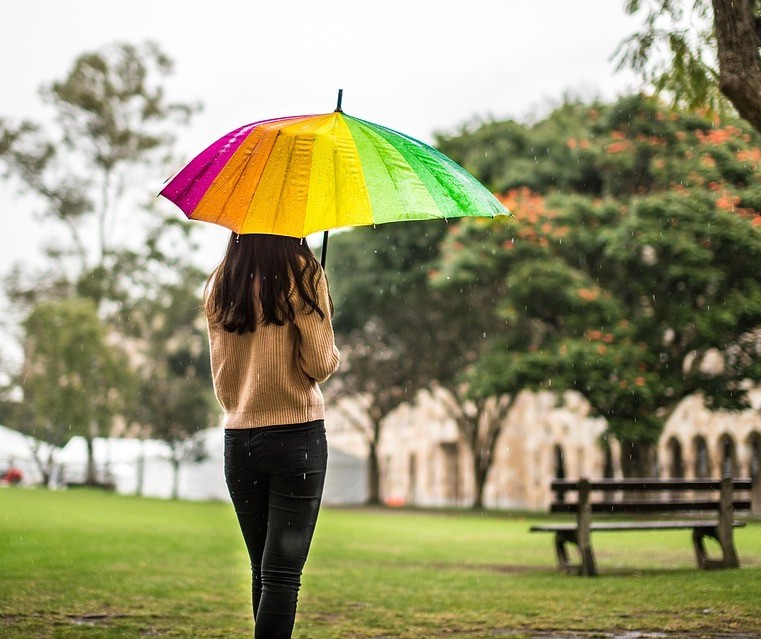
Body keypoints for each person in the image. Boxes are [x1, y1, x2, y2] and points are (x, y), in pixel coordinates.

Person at [204, 232, 340, 639]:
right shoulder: (302, 272)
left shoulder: (221, 282)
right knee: (282, 575)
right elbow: (319, 363)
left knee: (262, 570)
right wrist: (326, 328)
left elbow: (223, 380)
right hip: (296, 436)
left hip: (239, 439)